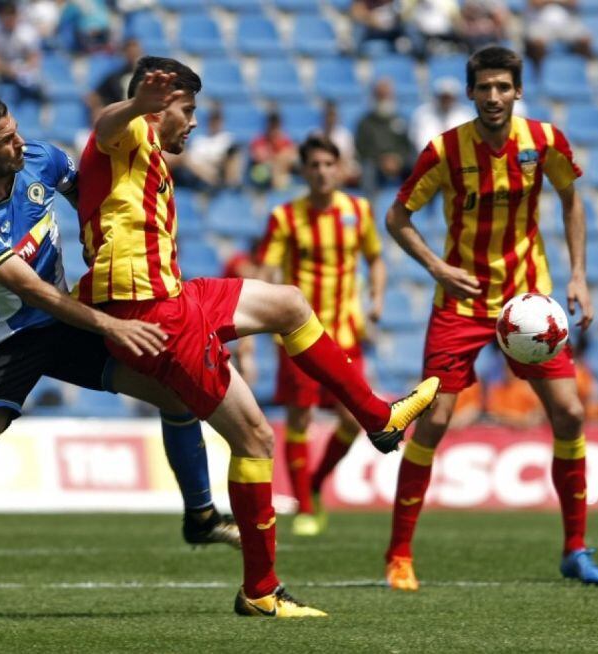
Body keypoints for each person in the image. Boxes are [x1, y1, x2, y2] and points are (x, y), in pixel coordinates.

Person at [76, 56, 439, 617]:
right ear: (159, 105)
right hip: (152, 318)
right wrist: (138, 106)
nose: (194, 122)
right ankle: (261, 590)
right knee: (256, 441)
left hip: (175, 297)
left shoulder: (150, 154)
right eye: (188, 110)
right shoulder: (125, 136)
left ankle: (380, 419)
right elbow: (103, 126)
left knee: (291, 302)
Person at [0, 96, 239, 622]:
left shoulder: (41, 160)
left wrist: (104, 240)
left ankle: (201, 516)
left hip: (68, 325)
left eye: (15, 131)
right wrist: (111, 324)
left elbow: (86, 188)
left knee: (178, 390)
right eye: (5, 140)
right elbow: (32, 291)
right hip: (6, 344)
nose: (19, 142)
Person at [383, 46, 598, 591]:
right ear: (469, 92)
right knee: (434, 420)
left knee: (572, 414)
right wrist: (438, 268)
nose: (493, 97)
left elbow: (572, 200)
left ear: (517, 90)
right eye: (483, 87)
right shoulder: (443, 150)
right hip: (461, 304)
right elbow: (398, 217)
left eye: (502, 87)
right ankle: (399, 555)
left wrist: (578, 274)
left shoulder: (546, 141)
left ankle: (575, 548)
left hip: (528, 306)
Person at [256, 135, 386, 537]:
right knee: (300, 418)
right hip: (298, 336)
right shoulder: (285, 217)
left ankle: (313, 481)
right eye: (313, 165)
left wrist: (377, 299)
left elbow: (375, 258)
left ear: (340, 168)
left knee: (354, 419)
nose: (322, 172)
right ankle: (307, 505)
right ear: (304, 170)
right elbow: (268, 271)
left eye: (329, 164)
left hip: (345, 332)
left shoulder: (358, 211)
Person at [355, 78, 414, 195]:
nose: (383, 98)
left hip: (399, 162)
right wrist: (382, 160)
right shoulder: (365, 122)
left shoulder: (401, 120)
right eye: (380, 95)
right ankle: (370, 207)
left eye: (386, 95)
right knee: (368, 171)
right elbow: (361, 148)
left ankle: (419, 206)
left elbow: (407, 146)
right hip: (375, 163)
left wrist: (398, 159)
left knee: (420, 164)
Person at [409, 76, 475, 151]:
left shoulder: (466, 115)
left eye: (449, 97)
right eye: (443, 97)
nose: (446, 101)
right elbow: (419, 141)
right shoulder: (422, 114)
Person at [524, 0, 592, 72]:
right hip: (541, 23)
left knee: (585, 39)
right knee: (538, 43)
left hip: (566, 23)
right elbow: (535, 3)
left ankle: (580, 73)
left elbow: (574, 3)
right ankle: (540, 74)